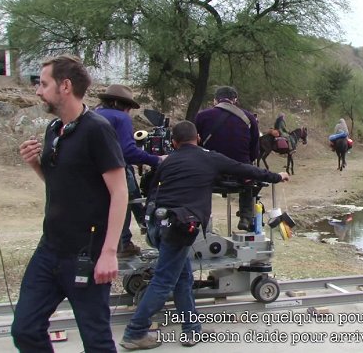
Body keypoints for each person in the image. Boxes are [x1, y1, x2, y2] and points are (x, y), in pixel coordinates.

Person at [120, 121, 289, 350]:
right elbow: (246, 169)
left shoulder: (168, 161)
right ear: (198, 138)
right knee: (164, 281)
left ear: (174, 142)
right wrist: (277, 176)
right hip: (178, 229)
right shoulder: (209, 158)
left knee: (184, 279)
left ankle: (192, 329)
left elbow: (151, 189)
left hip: (156, 225)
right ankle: (135, 332)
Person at [14, 54, 128, 352]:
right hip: (50, 249)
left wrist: (109, 253)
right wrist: (35, 165)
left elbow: (119, 192)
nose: (38, 90)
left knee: (96, 341)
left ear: (65, 86)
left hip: (86, 255)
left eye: (43, 83)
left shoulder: (97, 129)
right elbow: (61, 184)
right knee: (25, 329)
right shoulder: (55, 129)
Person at [95, 84, 165, 257]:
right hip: (115, 167)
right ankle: (124, 243)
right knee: (124, 202)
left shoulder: (93, 114)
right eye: (128, 107)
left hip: (94, 171)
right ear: (120, 103)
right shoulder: (120, 118)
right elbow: (128, 152)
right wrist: (156, 160)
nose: (129, 112)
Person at [194, 86, 260, 231]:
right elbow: (254, 150)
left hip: (211, 171)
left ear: (215, 100)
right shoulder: (249, 118)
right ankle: (245, 216)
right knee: (249, 175)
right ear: (235, 100)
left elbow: (194, 142)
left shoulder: (202, 116)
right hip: (240, 171)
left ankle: (200, 217)